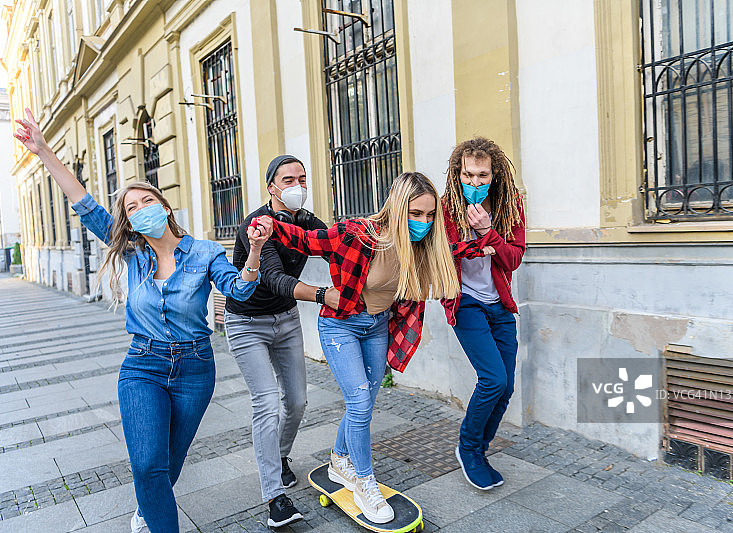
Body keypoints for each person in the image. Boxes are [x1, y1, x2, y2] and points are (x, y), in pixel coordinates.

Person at [13, 108, 270, 533]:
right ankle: (157, 517)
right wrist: (43, 151)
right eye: (131, 207)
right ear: (129, 221)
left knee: (169, 462)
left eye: (146, 200)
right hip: (143, 365)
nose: (140, 209)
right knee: (148, 463)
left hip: (195, 368)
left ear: (165, 206)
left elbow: (239, 291)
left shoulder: (205, 252)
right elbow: (83, 202)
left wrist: (255, 253)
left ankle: (148, 508)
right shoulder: (132, 254)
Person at [260, 172, 504, 523]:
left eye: (429, 215)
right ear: (397, 208)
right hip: (340, 326)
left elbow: (451, 251)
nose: (423, 222)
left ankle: (339, 459)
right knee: (359, 402)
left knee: (365, 402)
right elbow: (308, 239)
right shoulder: (358, 234)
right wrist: (269, 226)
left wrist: (486, 244)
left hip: (377, 327)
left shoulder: (421, 247)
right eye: (415, 213)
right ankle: (365, 483)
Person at [224, 155, 331, 528]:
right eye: (288, 179)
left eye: (302, 178)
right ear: (271, 187)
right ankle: (275, 498)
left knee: (297, 401)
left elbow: (335, 244)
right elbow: (273, 278)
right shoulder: (257, 225)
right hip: (246, 322)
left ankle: (280, 456)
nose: (297, 185)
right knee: (267, 403)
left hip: (285, 320)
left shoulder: (306, 221)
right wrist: (323, 295)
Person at [441, 137, 525, 490]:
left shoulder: (509, 205)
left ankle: (480, 449)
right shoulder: (445, 208)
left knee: (505, 387)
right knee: (492, 379)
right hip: (466, 303)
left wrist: (488, 233)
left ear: (495, 175)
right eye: (468, 175)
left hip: (500, 304)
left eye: (482, 175)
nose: (474, 182)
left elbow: (513, 258)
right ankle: (468, 448)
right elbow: (444, 253)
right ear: (457, 174)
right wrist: (479, 245)